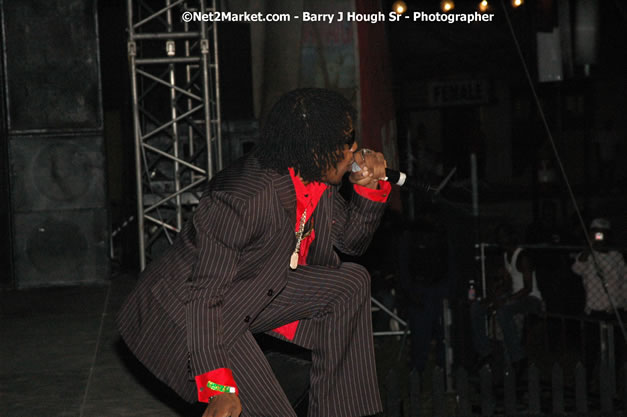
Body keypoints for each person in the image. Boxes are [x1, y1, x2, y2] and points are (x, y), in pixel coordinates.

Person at [117, 88, 391, 417]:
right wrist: (218, 387)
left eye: (352, 138)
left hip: (253, 287)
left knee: (352, 282)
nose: (354, 150)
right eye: (344, 142)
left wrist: (367, 188)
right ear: (315, 150)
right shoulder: (243, 197)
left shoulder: (314, 178)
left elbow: (352, 243)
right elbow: (203, 295)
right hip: (188, 314)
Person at [470, 224, 543, 372]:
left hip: (531, 299)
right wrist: (493, 298)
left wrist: (506, 300)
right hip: (516, 296)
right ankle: (484, 351)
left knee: (504, 311)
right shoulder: (506, 255)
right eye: (498, 237)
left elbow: (528, 288)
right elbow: (507, 283)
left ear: (511, 237)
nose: (500, 240)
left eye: (502, 237)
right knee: (477, 308)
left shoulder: (522, 256)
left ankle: (518, 357)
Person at [571, 218, 626, 315]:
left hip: (616, 307)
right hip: (595, 308)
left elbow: (625, 279)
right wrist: (590, 246)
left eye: (603, 233)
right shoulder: (587, 255)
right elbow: (577, 269)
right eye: (596, 232)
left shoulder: (616, 256)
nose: (600, 236)